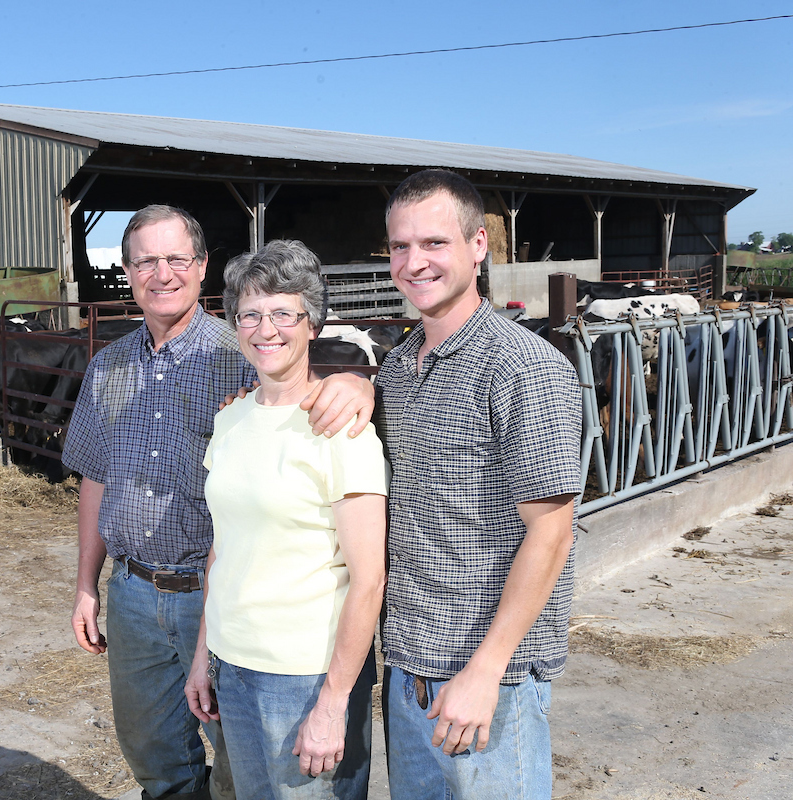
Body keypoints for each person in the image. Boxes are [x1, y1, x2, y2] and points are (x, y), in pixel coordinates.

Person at [63, 205, 375, 800]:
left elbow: (305, 386)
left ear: (202, 267)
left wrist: (361, 383)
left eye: (177, 258)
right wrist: (87, 583)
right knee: (153, 753)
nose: (162, 273)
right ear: (126, 271)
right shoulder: (108, 366)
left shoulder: (242, 355)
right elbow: (95, 478)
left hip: (219, 595)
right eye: (145, 261)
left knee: (245, 767)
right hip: (131, 592)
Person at [375, 169, 582, 799]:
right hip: (408, 666)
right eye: (400, 247)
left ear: (479, 244)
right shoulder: (396, 368)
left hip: (486, 676)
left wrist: (486, 671)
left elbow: (551, 531)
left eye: (434, 243)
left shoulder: (523, 367)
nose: (415, 262)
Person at [184, 240, 388, 800]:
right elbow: (222, 549)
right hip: (233, 662)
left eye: (282, 313)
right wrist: (204, 656)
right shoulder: (231, 419)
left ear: (312, 324)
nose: (264, 329)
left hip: (303, 676)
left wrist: (333, 700)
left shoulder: (341, 427)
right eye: (249, 314)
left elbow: (368, 578)